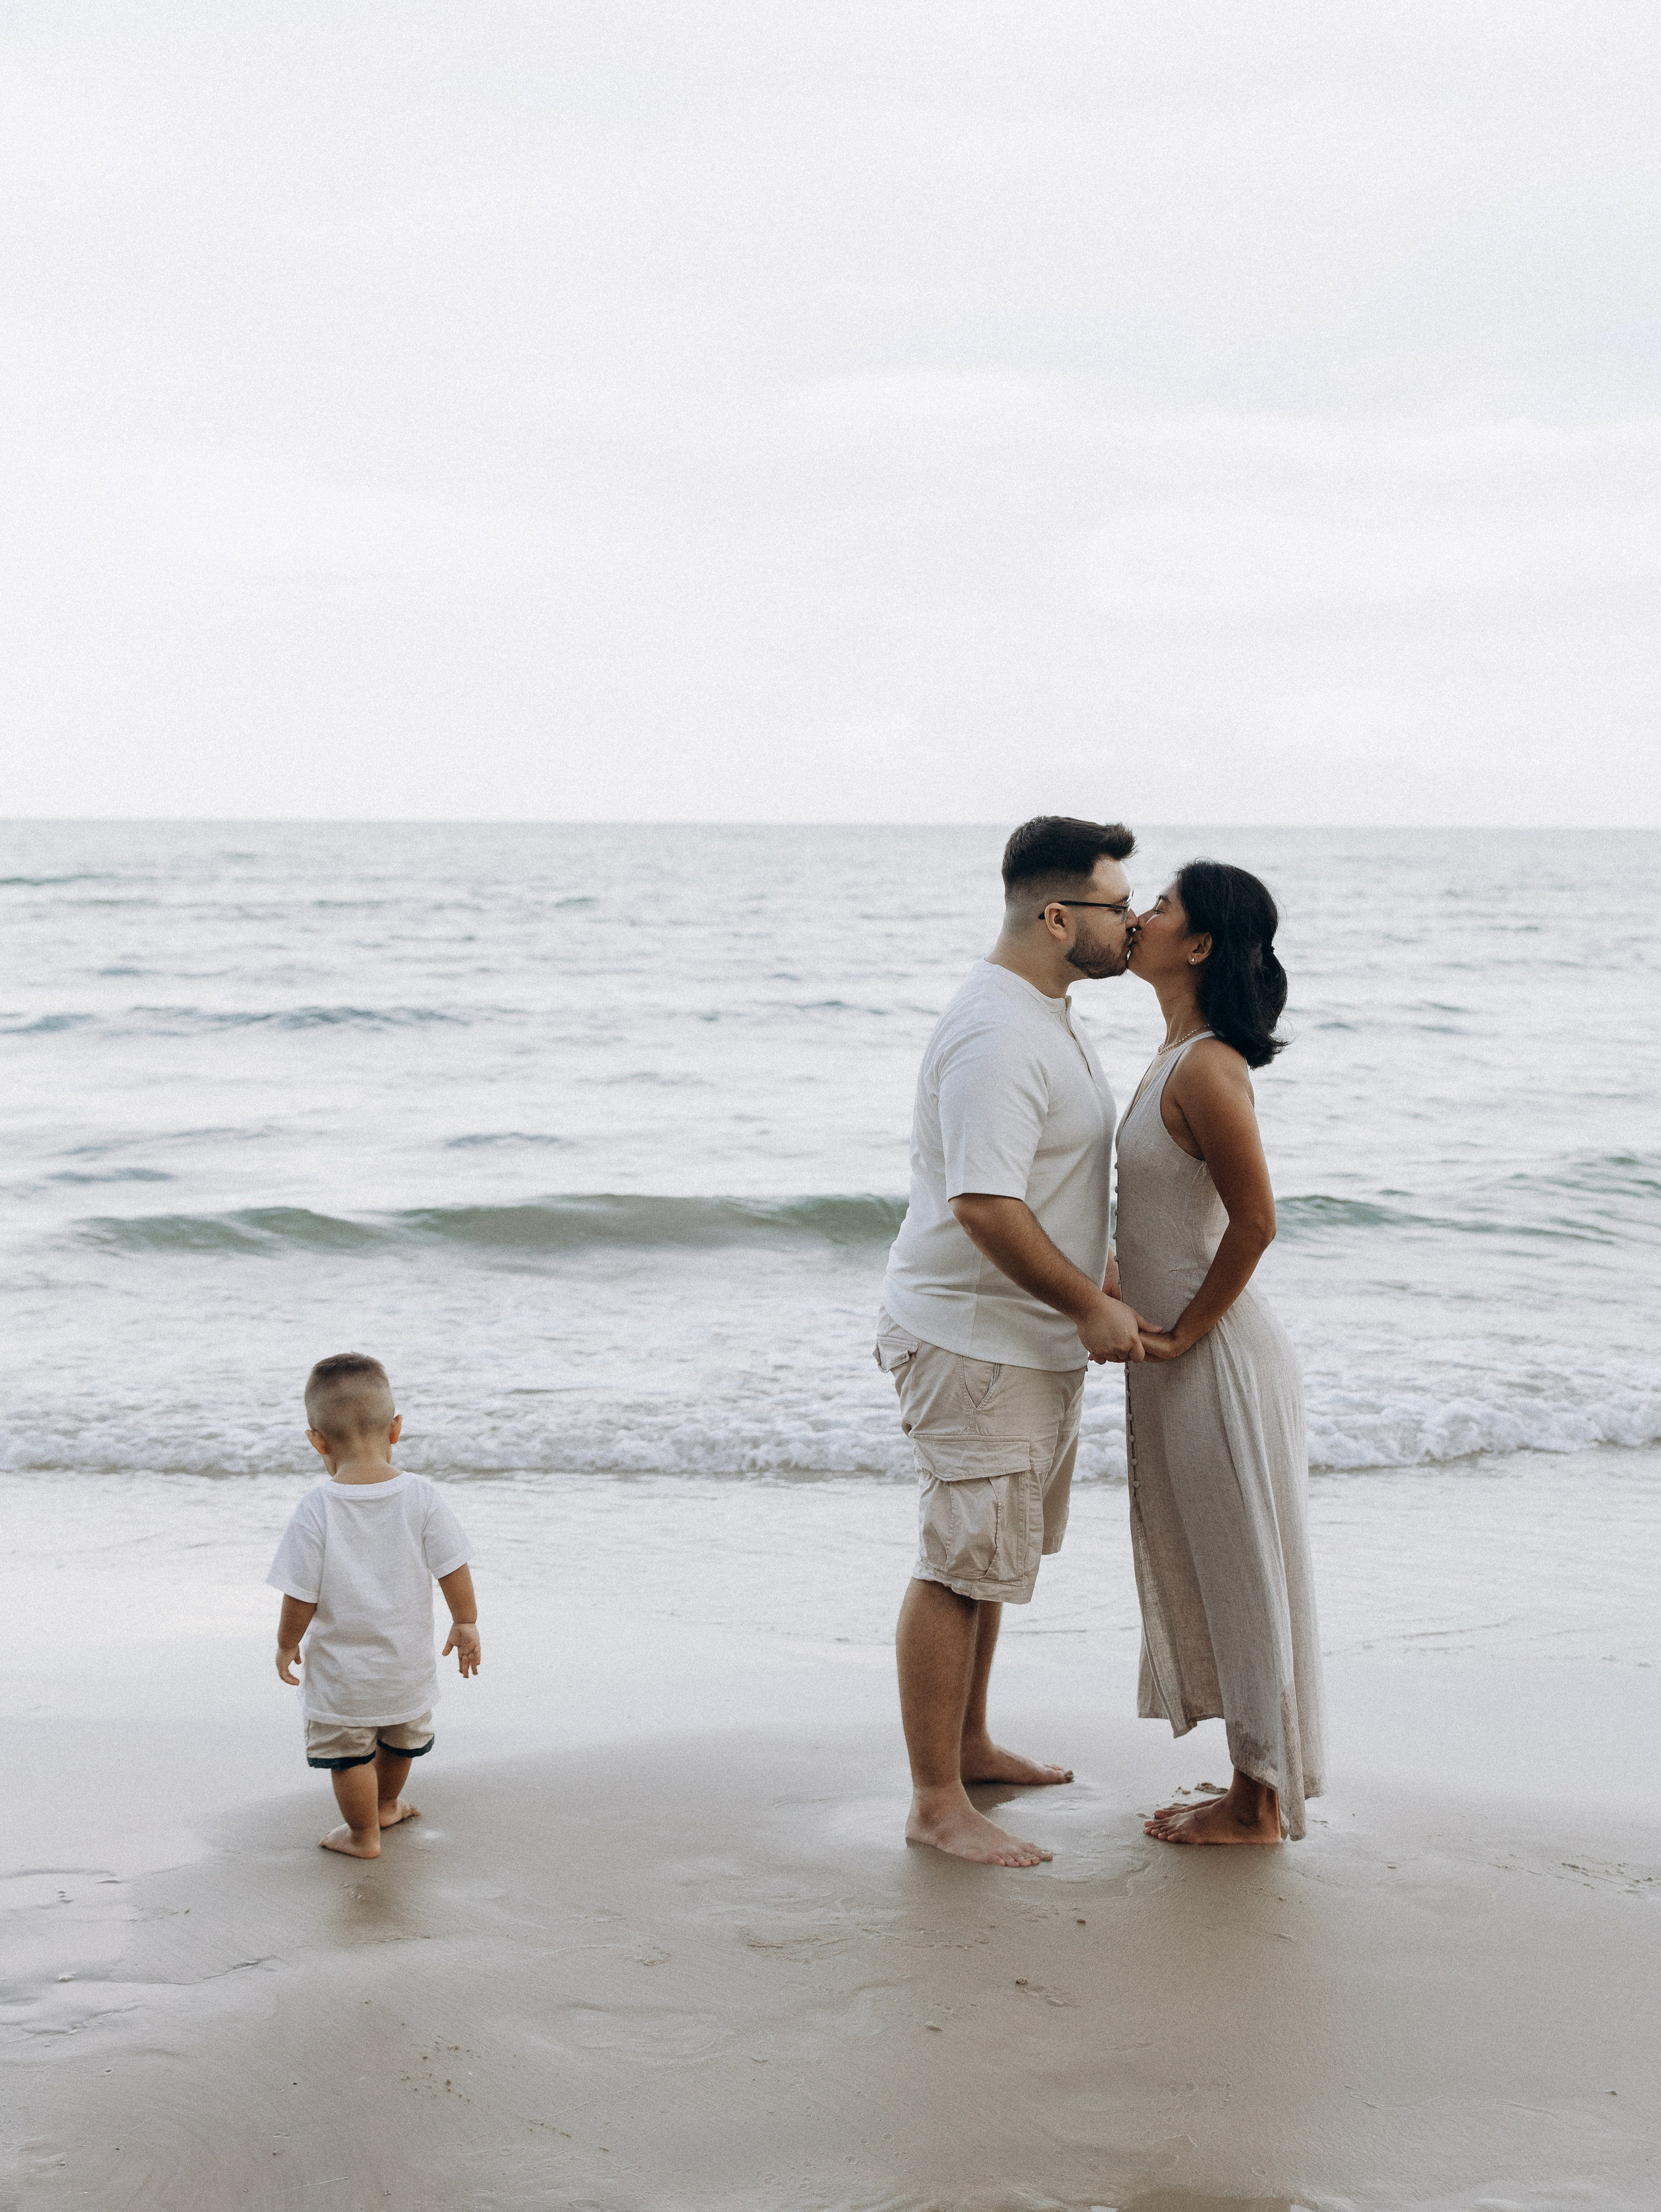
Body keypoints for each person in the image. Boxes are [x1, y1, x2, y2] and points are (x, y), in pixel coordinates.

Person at [877, 815, 1158, 1867]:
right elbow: (986, 1203)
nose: (1133, 923)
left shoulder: (1045, 1011)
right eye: (1117, 907)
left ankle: (972, 1746)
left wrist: (1102, 1274)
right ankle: (934, 1801)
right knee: (956, 1564)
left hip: (1019, 1335)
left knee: (991, 1559)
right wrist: (1088, 1306)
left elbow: (1049, 1180)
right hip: (975, 1341)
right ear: (1056, 917)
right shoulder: (996, 1032)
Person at [1115, 862, 1326, 1843]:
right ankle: (1253, 1779)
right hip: (1183, 1359)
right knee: (1221, 1561)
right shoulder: (1174, 1056)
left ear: (1198, 944)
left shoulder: (1204, 1065)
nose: (1139, 915)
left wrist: (1187, 1331)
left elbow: (1255, 1221)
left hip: (1220, 1359)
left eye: (1160, 906)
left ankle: (1259, 1803)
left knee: (1241, 1564)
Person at [268, 1352, 481, 1860]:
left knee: (350, 1757)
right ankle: (385, 1806)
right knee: (400, 1740)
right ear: (396, 1429)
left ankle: (363, 1834)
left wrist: (286, 1644)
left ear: (318, 1441)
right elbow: (453, 1565)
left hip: (344, 1675)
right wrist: (466, 1621)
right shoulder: (422, 1497)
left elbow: (300, 1593)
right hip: (405, 1665)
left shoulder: (316, 1508)